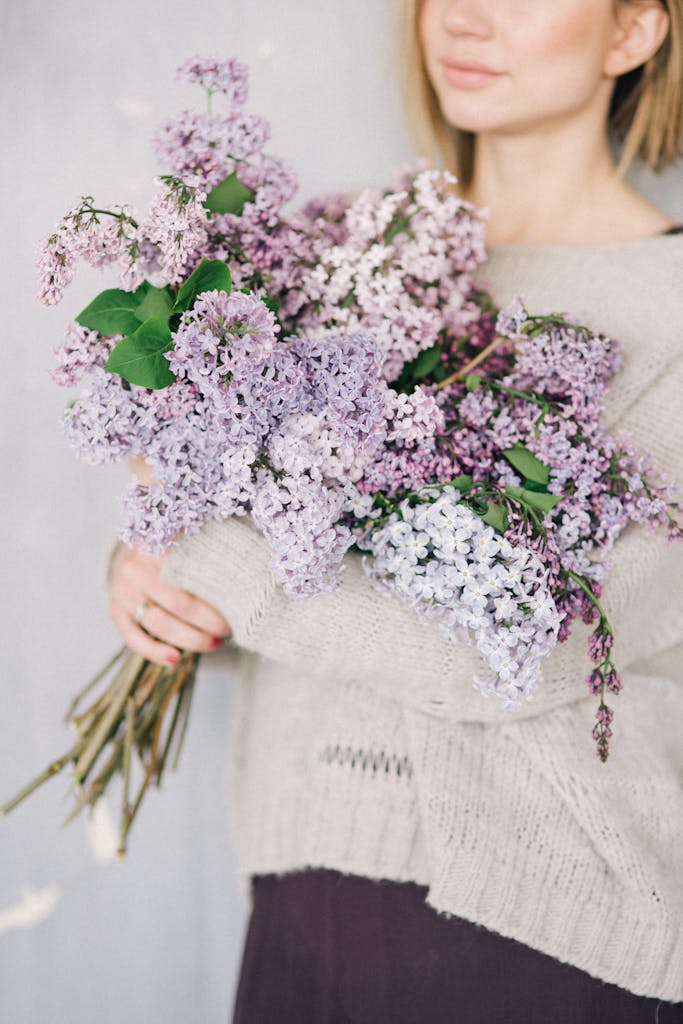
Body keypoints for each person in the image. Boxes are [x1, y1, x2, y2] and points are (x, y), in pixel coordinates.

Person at [107, 1, 683, 1020]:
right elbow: (296, 564)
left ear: (633, 31)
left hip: (541, 931)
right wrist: (158, 571)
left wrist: (217, 557)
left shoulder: (667, 310)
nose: (463, 15)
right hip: (301, 892)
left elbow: (523, 648)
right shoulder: (326, 256)